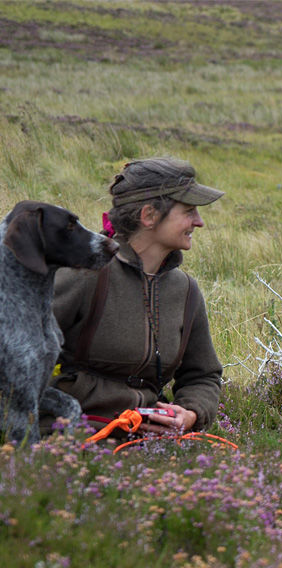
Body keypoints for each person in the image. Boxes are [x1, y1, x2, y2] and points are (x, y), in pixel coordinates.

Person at [48, 157, 224, 435]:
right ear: (149, 216)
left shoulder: (186, 290)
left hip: (146, 447)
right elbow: (17, 352)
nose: (199, 222)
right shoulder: (82, 273)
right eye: (189, 211)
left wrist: (190, 413)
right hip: (66, 443)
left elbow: (203, 375)